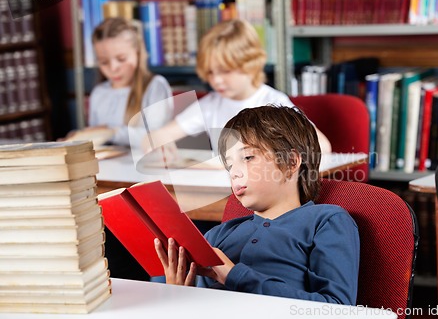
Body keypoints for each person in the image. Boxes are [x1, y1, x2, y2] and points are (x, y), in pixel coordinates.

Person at [154, 105, 360, 304]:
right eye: (229, 164)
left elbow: (336, 308)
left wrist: (234, 275)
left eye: (247, 157)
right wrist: (178, 293)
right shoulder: (216, 235)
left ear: (291, 162)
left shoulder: (326, 221)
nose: (234, 172)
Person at [143, 19, 331, 154]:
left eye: (225, 71)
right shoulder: (210, 105)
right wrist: (157, 144)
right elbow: (156, 137)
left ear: (250, 64)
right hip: (223, 194)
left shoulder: (274, 103)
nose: (216, 81)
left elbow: (321, 146)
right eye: (210, 72)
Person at [68, 17, 173, 148]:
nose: (113, 68)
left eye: (121, 59)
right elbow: (96, 140)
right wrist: (78, 138)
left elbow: (157, 136)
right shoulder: (99, 93)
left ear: (138, 53)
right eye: (104, 62)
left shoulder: (155, 86)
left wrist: (111, 132)